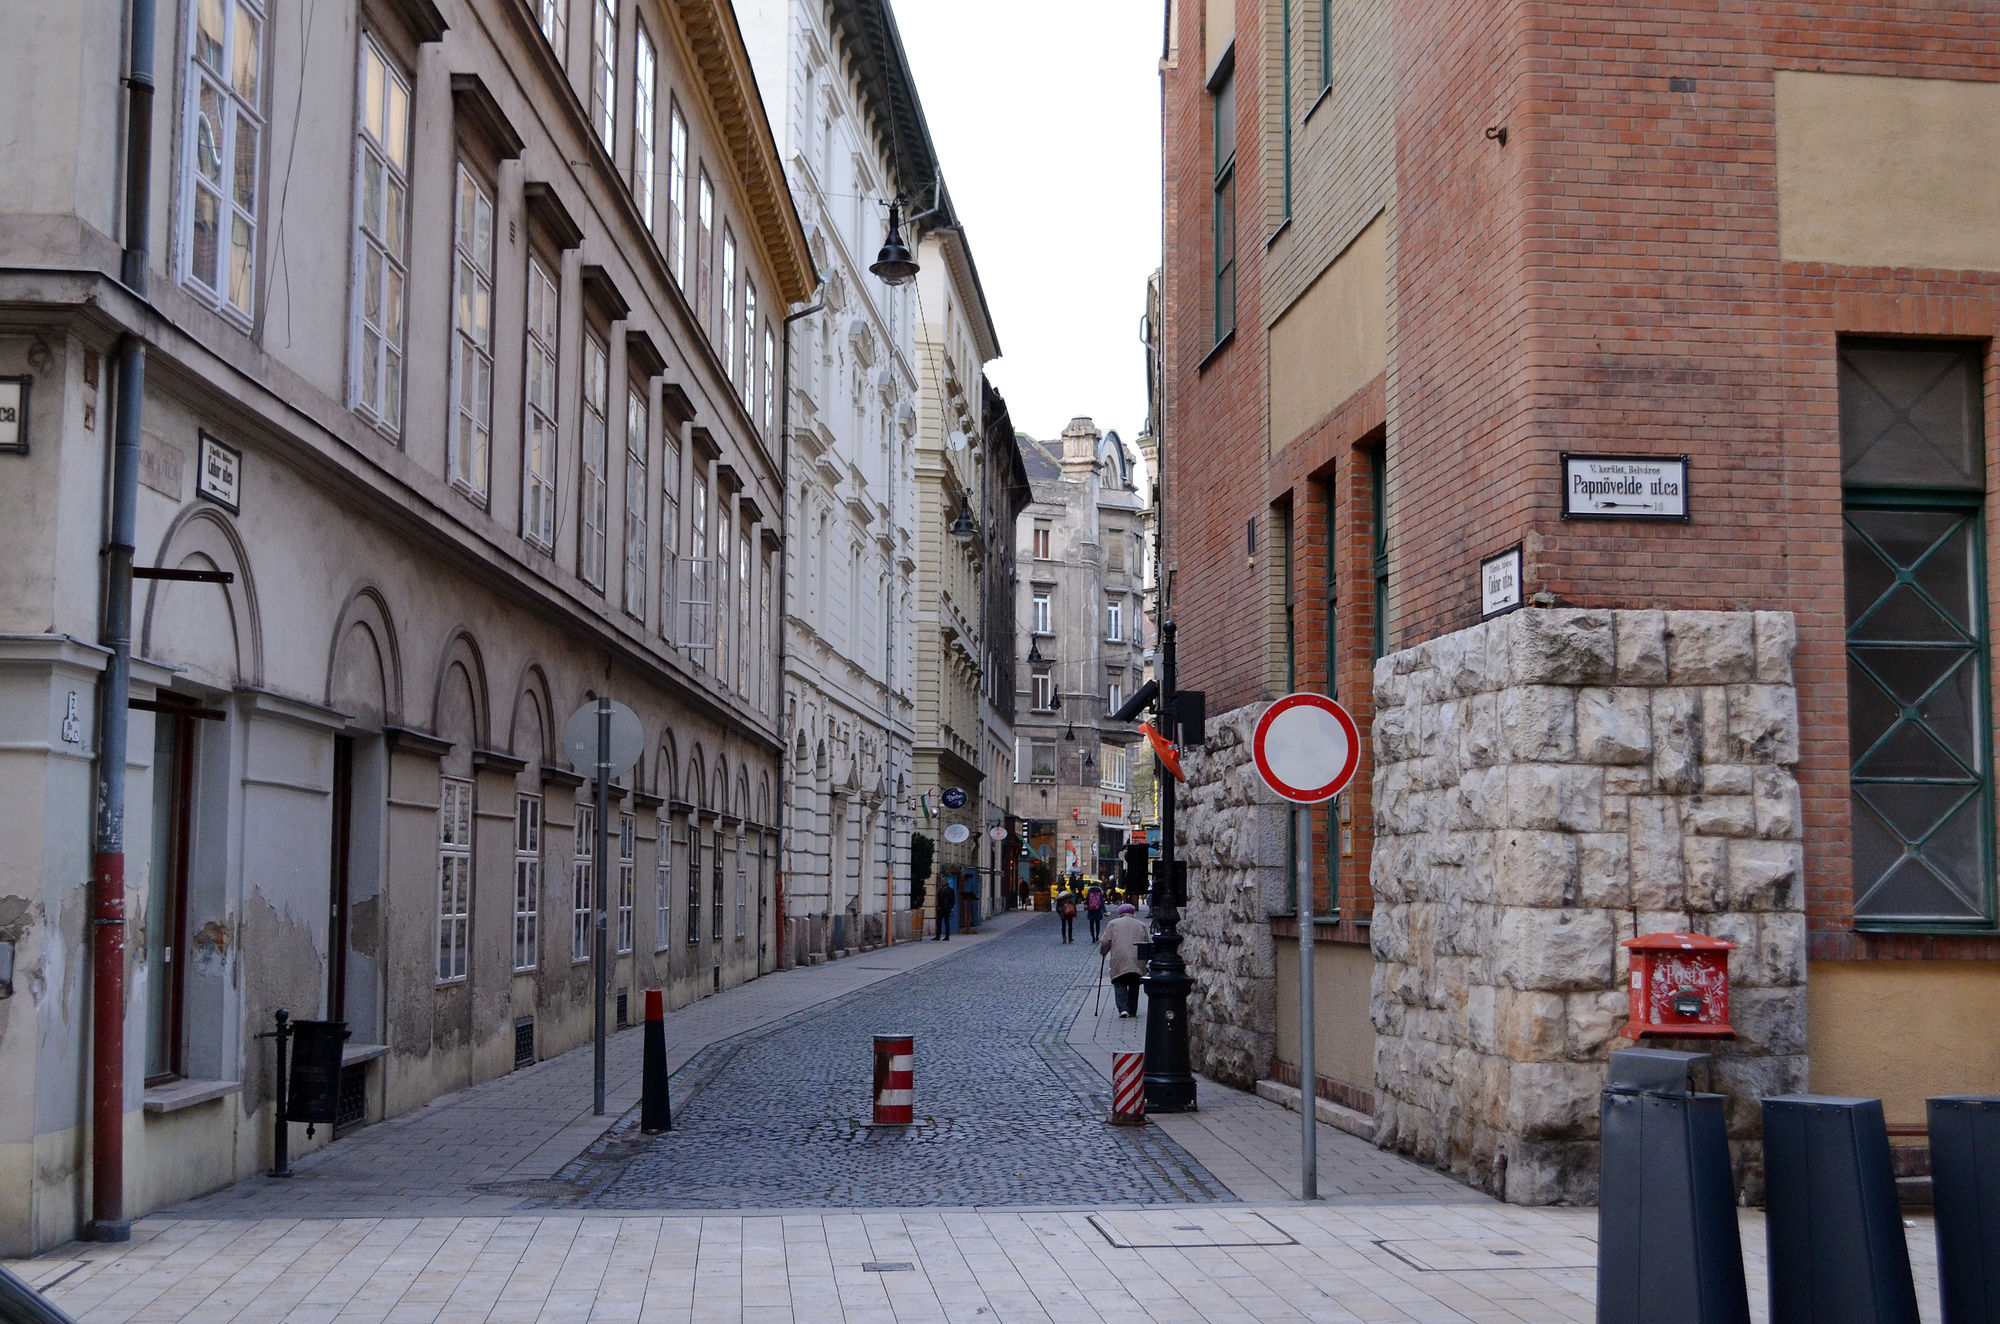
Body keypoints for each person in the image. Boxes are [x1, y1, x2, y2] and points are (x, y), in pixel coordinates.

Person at [1100, 903, 1148, 1017]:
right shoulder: (1141, 924)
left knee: (1119, 981)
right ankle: (1132, 1009)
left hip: (1119, 958)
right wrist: (1145, 961)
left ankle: (1123, 1009)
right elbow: (1147, 942)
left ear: (1120, 913)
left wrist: (1103, 952)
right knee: (1134, 983)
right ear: (1133, 912)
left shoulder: (1113, 924)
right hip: (1137, 958)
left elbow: (1105, 942)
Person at [934, 875, 955, 941]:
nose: (942, 882)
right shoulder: (951, 890)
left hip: (942, 908)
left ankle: (938, 936)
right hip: (947, 908)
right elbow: (953, 900)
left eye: (942, 881)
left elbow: (940, 899)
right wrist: (950, 907)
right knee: (947, 922)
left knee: (939, 922)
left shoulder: (942, 889)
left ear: (944, 882)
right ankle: (947, 936)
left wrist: (939, 907)